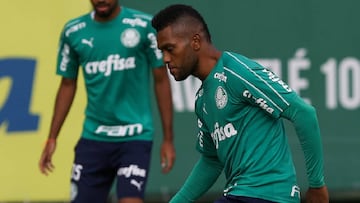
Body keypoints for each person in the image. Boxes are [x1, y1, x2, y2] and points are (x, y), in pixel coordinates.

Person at [151, 4, 329, 203]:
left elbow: (304, 114)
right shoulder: (202, 100)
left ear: (195, 41)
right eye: (161, 52)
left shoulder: (236, 72)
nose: (165, 59)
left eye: (169, 49)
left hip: (267, 196)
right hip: (240, 195)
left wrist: (317, 186)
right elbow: (211, 161)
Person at [38, 0, 176, 203]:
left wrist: (168, 139)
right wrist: (52, 137)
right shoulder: (74, 31)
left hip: (135, 135)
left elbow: (161, 80)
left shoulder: (143, 26)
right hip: (94, 137)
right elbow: (67, 85)